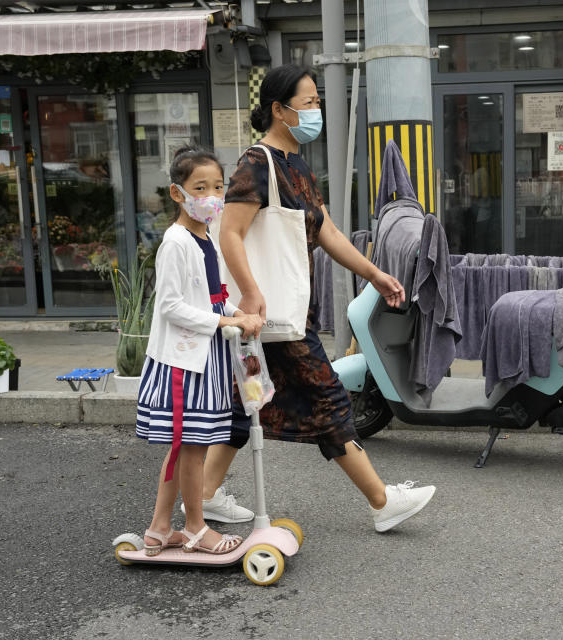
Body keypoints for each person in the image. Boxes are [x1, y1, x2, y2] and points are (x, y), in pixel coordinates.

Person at [218, 63, 436, 533]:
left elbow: (327, 230)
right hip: (271, 315)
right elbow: (229, 234)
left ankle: (204, 498)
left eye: (318, 101)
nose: (317, 110)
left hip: (288, 313)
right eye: (310, 102)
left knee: (246, 406)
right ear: (279, 109)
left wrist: (375, 273)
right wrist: (253, 293)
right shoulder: (256, 164)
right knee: (330, 400)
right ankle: (382, 501)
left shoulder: (296, 165)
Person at [136, 144, 263, 555]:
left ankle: (158, 529)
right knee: (190, 449)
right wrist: (227, 321)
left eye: (218, 187)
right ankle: (194, 528)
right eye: (200, 187)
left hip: (201, 359)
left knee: (187, 447)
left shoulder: (204, 239)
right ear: (178, 193)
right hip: (180, 364)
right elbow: (171, 306)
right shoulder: (175, 242)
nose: (211, 196)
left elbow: (211, 297)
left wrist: (239, 313)